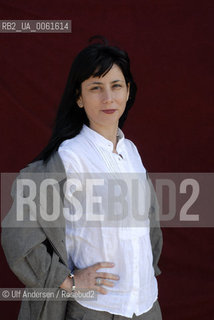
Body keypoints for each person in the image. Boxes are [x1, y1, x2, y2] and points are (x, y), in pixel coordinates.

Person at [1, 36, 163, 320]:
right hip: (96, 309)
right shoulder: (69, 157)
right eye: (95, 88)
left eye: (116, 86)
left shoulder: (131, 151)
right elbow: (18, 232)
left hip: (147, 306)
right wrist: (67, 281)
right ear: (79, 97)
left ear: (128, 92)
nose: (108, 98)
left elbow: (148, 224)